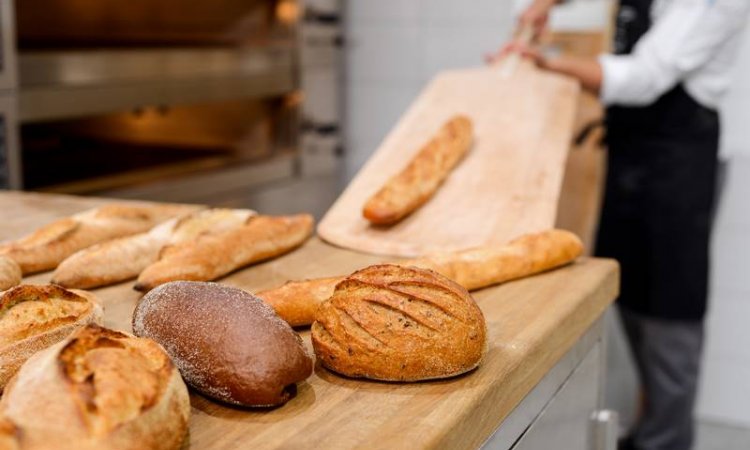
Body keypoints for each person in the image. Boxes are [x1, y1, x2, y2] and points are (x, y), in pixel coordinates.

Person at [489, 1, 750, 449]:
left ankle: (667, 440)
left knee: (670, 308)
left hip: (680, 165)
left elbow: (646, 78)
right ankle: (648, 432)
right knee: (624, 289)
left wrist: (548, 63)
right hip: (633, 155)